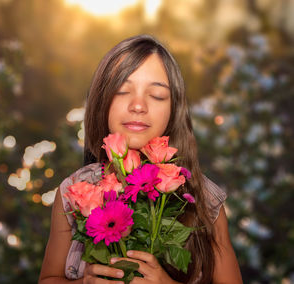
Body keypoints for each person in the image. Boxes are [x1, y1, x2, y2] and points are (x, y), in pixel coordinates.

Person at [39, 34, 243, 284]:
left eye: (156, 95)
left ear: (173, 109)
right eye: (123, 91)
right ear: (101, 101)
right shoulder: (75, 193)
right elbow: (48, 278)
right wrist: (85, 283)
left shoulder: (205, 201)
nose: (138, 105)